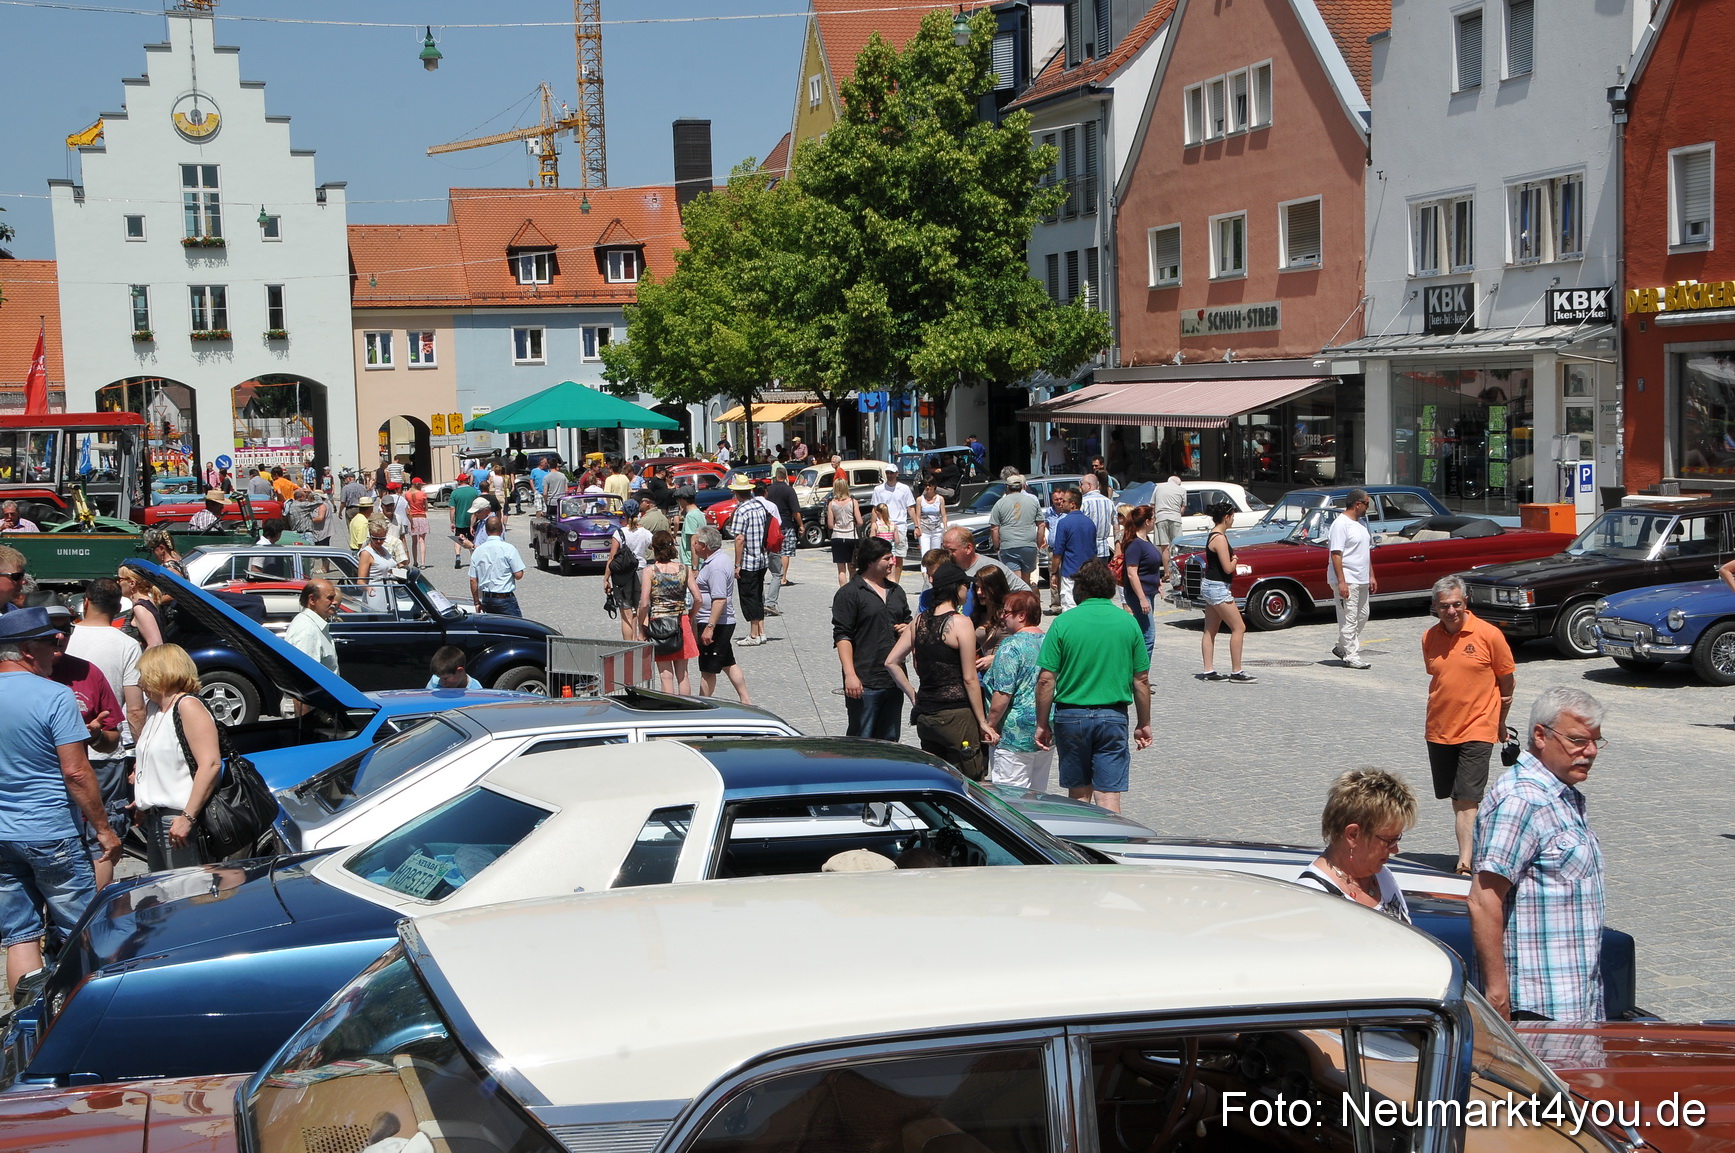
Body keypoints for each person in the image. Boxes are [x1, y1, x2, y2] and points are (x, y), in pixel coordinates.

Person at [0, 607, 122, 995]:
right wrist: (104, 829)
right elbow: (77, 773)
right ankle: (80, 1019)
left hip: (3, 833)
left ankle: (24, 1023)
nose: (59, 648)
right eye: (50, 642)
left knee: (20, 935)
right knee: (78, 932)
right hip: (51, 830)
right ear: (26, 649)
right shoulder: (55, 696)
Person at [1471, 686, 1609, 1021]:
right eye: (1578, 740)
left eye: (1595, 741)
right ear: (1540, 735)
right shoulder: (1522, 800)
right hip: (1538, 1007)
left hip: (1576, 998)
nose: (1590, 751)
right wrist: (1497, 995)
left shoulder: (1561, 795)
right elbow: (1483, 899)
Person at [1033, 560, 1152, 813]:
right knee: (1109, 797)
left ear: (1081, 589)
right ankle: (1112, 849)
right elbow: (1140, 679)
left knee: (1078, 795)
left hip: (1070, 716)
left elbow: (1046, 679)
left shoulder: (1064, 623)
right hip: (1113, 716)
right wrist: (1144, 723)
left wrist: (1042, 723)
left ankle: (1082, 849)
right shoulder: (1128, 622)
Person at [1424, 574, 1516, 876]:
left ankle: (1466, 861)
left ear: (1466, 603)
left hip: (1479, 727)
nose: (1451, 611)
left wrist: (1500, 723)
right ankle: (1471, 847)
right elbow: (1439, 678)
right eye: (1444, 606)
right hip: (1439, 727)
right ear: (1435, 607)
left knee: (1467, 798)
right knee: (1456, 796)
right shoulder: (1429, 638)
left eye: (1457, 604)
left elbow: (1506, 681)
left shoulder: (1489, 635)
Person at [885, 560, 997, 779]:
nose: (970, 591)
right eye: (967, 585)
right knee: (968, 779)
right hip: (956, 715)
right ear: (956, 588)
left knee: (936, 780)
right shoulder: (960, 623)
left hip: (926, 715)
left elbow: (891, 661)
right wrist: (983, 722)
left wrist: (913, 695)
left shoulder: (919, 621)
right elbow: (969, 679)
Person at [65, 578, 144, 890]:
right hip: (105, 754)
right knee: (104, 842)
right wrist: (140, 756)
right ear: (118, 608)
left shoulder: (63, 638)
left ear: (86, 602)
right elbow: (135, 709)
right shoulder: (126, 645)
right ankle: (96, 921)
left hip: (62, 752)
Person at [1294, 769, 1419, 923]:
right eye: (1389, 840)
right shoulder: (1312, 900)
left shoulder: (1381, 876)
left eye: (1397, 839)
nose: (1395, 849)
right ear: (1352, 835)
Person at [832, 537, 913, 741]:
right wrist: (850, 674)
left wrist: (907, 629)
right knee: (862, 741)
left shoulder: (896, 591)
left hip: (894, 681)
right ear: (871, 561)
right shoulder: (849, 593)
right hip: (864, 681)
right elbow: (843, 636)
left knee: (890, 742)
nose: (892, 562)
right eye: (887, 558)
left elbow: (909, 622)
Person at [982, 590, 1052, 791]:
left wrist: (991, 724)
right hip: (1045, 726)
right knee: (1037, 794)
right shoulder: (1050, 641)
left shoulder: (1010, 646)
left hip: (1014, 733)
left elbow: (1003, 693)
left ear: (1022, 616)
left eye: (1007, 612)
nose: (1003, 617)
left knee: (1010, 798)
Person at [691, 526, 751, 703]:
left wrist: (710, 627)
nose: (693, 546)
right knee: (728, 663)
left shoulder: (715, 567)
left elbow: (719, 599)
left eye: (696, 542)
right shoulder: (719, 559)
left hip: (715, 622)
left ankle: (702, 704)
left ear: (704, 545)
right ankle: (746, 700)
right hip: (720, 621)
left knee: (708, 669)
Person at [1198, 500, 1255, 682]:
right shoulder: (1220, 538)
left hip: (1210, 584)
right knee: (1239, 627)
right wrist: (1236, 559)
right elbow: (1228, 567)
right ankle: (1236, 671)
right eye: (1232, 517)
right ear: (1226, 517)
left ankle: (1208, 670)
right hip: (1218, 587)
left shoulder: (1212, 534)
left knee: (1210, 629)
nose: (1233, 520)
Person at [639, 530, 701, 695]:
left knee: (665, 676)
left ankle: (670, 710)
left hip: (659, 623)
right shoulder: (684, 569)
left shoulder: (649, 571)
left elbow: (644, 602)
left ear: (655, 548)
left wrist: (640, 625)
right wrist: (691, 616)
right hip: (681, 621)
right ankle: (686, 710)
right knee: (683, 674)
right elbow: (698, 598)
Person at [1328, 488, 1376, 669]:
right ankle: (1351, 655)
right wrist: (1341, 581)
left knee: (1363, 615)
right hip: (1348, 579)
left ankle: (1342, 646)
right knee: (1348, 618)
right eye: (1367, 503)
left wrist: (1371, 575)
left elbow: (1366, 552)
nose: (1368, 507)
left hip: (1361, 578)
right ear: (1358, 504)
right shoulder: (1341, 524)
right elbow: (1336, 555)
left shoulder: (1362, 523)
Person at [726, 477, 772, 647]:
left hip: (748, 561)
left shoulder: (741, 510)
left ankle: (753, 635)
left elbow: (739, 539)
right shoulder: (759, 506)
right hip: (762, 558)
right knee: (758, 594)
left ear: (737, 492)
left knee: (748, 596)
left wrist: (737, 564)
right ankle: (761, 631)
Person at [1119, 505, 1163, 660]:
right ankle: (1140, 676)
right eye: (1153, 518)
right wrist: (1142, 598)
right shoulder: (1135, 544)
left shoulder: (1146, 540)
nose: (1155, 521)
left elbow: (1149, 565)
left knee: (1141, 633)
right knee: (1148, 636)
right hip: (1139, 594)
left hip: (1149, 592)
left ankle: (1135, 673)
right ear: (1147, 521)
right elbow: (1132, 573)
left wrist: (1157, 582)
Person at [988, 474, 1043, 587]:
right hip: (1029, 545)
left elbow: (994, 528)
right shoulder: (1033, 501)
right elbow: (1041, 525)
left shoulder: (1000, 503)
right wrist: (1038, 544)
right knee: (1026, 581)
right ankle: (1027, 601)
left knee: (1015, 581)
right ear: (1022, 486)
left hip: (1009, 546)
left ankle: (1019, 603)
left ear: (1007, 487)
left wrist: (996, 546)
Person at [942, 525, 1031, 593]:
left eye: (951, 550)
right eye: (944, 549)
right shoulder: (942, 569)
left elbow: (1025, 591)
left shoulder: (992, 567)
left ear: (968, 548)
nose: (946, 554)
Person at [1048, 487, 1096, 611]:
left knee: (1069, 605)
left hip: (1070, 571)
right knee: (1086, 605)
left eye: (1064, 501)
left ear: (1073, 504)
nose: (1061, 503)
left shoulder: (1064, 523)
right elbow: (1093, 550)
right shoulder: (1090, 523)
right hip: (1087, 571)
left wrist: (1054, 573)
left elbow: (1057, 552)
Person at [470, 515, 526, 617]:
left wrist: (477, 602)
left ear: (486, 531)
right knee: (516, 629)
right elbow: (519, 575)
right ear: (502, 529)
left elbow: (473, 579)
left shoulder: (477, 551)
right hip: (504, 598)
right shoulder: (508, 548)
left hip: (487, 598)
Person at [869, 468, 915, 581]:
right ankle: (883, 581)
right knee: (881, 556)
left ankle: (895, 583)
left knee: (898, 557)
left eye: (892, 473)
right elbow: (875, 508)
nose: (890, 475)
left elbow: (910, 508)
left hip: (899, 525)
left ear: (897, 473)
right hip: (882, 526)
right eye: (888, 473)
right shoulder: (878, 489)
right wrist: (873, 525)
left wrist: (917, 526)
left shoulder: (904, 489)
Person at [764, 465, 802, 600]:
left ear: (775, 477)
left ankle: (776, 574)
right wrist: (801, 525)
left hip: (771, 525)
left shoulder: (768, 490)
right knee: (786, 551)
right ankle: (783, 577)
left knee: (774, 550)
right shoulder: (789, 490)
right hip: (786, 523)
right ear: (785, 476)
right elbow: (795, 511)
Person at [284, 579, 340, 672]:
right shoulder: (307, 631)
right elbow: (306, 674)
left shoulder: (313, 625)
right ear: (312, 600)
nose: (335, 602)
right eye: (330, 598)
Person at [1151, 475, 1187, 587]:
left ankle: (1167, 573)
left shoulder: (1158, 487)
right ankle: (1179, 572)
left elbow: (1152, 505)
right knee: (1177, 546)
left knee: (1164, 547)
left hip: (1161, 517)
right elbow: (1182, 509)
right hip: (1175, 518)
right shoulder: (1182, 490)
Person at [825, 476, 862, 586]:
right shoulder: (853, 502)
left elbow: (830, 525)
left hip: (837, 536)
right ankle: (853, 592)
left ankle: (843, 594)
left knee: (841, 570)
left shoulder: (832, 504)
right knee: (852, 568)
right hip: (851, 536)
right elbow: (860, 521)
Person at [118, 565, 166, 648]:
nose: (117, 583)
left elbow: (155, 644)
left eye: (120, 579)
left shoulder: (140, 608)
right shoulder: (149, 601)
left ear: (132, 583)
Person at [357, 521, 407, 585]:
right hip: (375, 591)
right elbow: (360, 581)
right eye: (375, 538)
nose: (378, 541)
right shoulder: (366, 553)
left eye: (382, 538)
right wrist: (368, 589)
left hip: (389, 590)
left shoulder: (384, 550)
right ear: (370, 536)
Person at [1079, 473, 1116, 560]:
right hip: (1104, 550)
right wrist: (1117, 547)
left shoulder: (1083, 502)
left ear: (1089, 485)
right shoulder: (1109, 502)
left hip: (1087, 550)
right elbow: (1116, 526)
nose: (1080, 487)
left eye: (1081, 484)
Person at [448, 475, 479, 568]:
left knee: (458, 539)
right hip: (472, 519)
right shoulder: (474, 491)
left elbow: (452, 508)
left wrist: (452, 521)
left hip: (460, 520)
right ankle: (473, 559)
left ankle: (458, 556)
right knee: (472, 540)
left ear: (460, 482)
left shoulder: (455, 493)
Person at [916, 480, 948, 558]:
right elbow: (918, 516)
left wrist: (946, 529)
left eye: (930, 485)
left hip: (937, 531)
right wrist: (917, 527)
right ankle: (924, 570)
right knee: (925, 553)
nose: (928, 487)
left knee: (936, 554)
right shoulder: (920, 499)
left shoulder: (940, 499)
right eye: (926, 485)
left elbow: (943, 515)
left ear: (934, 486)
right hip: (924, 531)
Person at [404, 479, 430, 567]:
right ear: (418, 484)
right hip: (422, 517)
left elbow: (407, 507)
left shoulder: (407, 494)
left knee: (414, 541)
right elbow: (426, 508)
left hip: (412, 518)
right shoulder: (422, 494)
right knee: (422, 540)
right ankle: (423, 562)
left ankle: (415, 561)